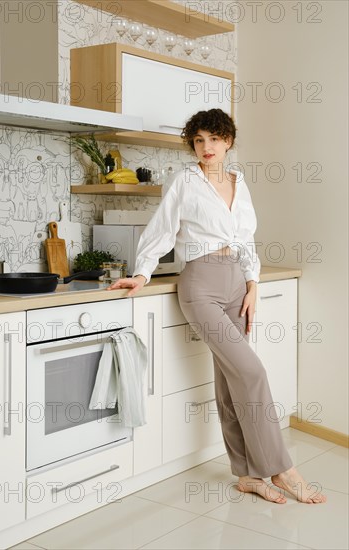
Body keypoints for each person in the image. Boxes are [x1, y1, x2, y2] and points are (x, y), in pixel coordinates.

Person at [106, 108, 326, 504]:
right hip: (201, 285)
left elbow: (248, 240)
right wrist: (141, 273)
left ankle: (246, 475)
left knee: (231, 383)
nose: (206, 147)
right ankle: (282, 468)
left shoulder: (240, 183)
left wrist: (253, 284)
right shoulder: (185, 182)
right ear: (193, 144)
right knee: (253, 372)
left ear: (228, 142)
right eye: (199, 140)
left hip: (236, 282)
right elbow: (161, 230)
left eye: (214, 139)